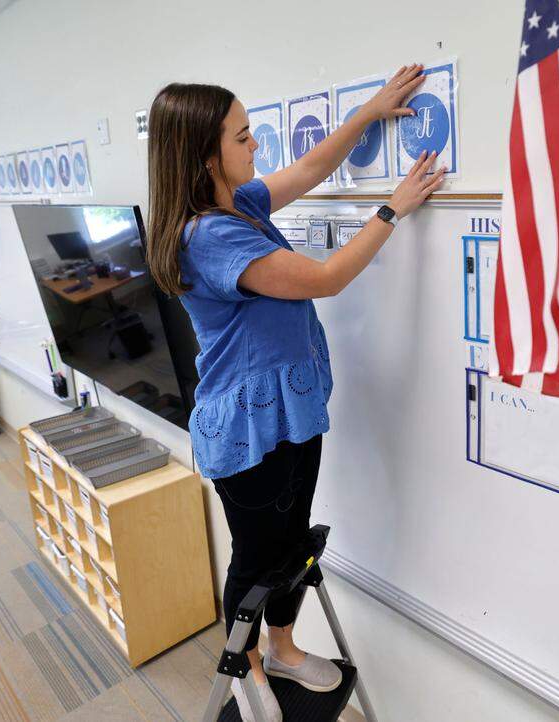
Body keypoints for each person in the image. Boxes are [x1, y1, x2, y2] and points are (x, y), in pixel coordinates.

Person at [145, 64, 445, 720]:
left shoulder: (239, 204)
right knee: (256, 560)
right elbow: (329, 276)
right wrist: (394, 207)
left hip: (290, 410)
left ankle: (281, 646)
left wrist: (369, 113)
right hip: (247, 427)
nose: (257, 146)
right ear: (205, 157)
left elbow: (309, 169)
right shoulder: (210, 237)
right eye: (244, 136)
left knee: (292, 549)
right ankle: (248, 666)